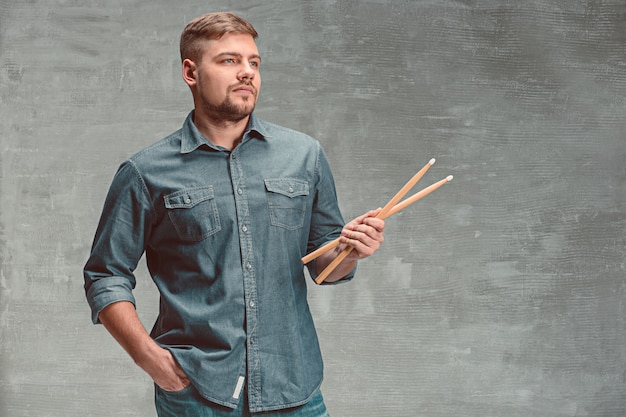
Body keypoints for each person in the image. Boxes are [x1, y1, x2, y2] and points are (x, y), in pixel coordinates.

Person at [84, 11, 385, 417]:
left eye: (253, 63)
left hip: (294, 389)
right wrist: (149, 359)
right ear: (191, 72)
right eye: (229, 60)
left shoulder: (304, 156)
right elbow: (105, 275)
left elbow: (324, 266)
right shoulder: (145, 172)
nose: (247, 73)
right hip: (197, 394)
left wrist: (352, 252)